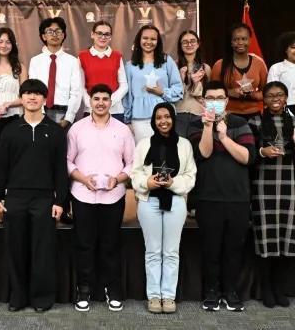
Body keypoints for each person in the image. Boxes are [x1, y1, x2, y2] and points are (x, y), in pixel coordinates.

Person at [0, 79, 68, 312]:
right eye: (27, 94)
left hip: (44, 199)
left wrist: (60, 201)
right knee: (16, 249)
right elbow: (1, 167)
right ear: (21, 98)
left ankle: (42, 298)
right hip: (15, 198)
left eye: (37, 94)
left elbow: (60, 171)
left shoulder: (54, 131)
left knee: (42, 251)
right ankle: (18, 297)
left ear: (44, 99)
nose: (32, 98)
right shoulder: (10, 130)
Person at [187, 80, 257, 312]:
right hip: (208, 198)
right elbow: (204, 152)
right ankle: (211, 292)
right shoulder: (195, 125)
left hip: (237, 198)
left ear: (226, 101)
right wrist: (209, 126)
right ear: (203, 100)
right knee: (211, 249)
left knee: (233, 249)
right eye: (210, 98)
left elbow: (247, 157)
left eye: (219, 98)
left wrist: (225, 137)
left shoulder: (240, 123)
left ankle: (231, 291)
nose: (215, 102)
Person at [67, 84, 135, 312]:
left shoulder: (123, 130)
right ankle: (84, 289)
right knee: (84, 244)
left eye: (105, 99)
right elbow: (67, 161)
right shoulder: (77, 129)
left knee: (110, 245)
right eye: (96, 98)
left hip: (113, 196)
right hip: (82, 194)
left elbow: (132, 163)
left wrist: (118, 179)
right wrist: (83, 179)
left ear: (111, 102)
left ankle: (112, 289)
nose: (101, 103)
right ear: (90, 101)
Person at [247, 82, 295, 308]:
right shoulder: (254, 122)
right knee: (266, 240)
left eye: (280, 95)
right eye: (270, 95)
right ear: (263, 100)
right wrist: (261, 151)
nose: (275, 99)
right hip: (263, 190)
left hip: (288, 189)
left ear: (286, 99)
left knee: (285, 239)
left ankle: (279, 287)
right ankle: (266, 288)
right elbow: (248, 157)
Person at [131, 102, 197, 314]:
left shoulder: (184, 145)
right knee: (153, 251)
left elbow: (190, 176)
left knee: (171, 252)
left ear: (173, 119)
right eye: (159, 117)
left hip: (175, 200)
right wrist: (147, 183)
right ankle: (154, 296)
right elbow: (135, 173)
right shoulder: (143, 144)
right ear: (153, 120)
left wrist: (173, 184)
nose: (163, 121)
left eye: (167, 116)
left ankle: (168, 296)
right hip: (149, 200)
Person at [124, 25, 183, 143]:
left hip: (165, 117)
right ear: (139, 40)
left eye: (153, 39)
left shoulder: (167, 61)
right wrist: (127, 120)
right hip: (139, 119)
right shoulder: (130, 66)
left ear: (158, 41)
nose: (149, 42)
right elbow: (127, 96)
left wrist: (161, 92)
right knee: (143, 154)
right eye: (145, 38)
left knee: (166, 154)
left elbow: (179, 89)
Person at [28, 17, 82, 128]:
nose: (54, 34)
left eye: (58, 31)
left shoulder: (73, 61)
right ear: (44, 36)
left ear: (63, 35)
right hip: (41, 111)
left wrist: (68, 118)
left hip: (65, 111)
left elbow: (76, 92)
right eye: (50, 31)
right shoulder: (35, 61)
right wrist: (40, 114)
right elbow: (33, 91)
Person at [210, 23, 268, 121]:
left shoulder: (259, 63)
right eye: (236, 39)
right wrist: (230, 92)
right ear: (231, 42)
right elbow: (211, 93)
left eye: (244, 39)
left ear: (250, 40)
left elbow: (266, 92)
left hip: (254, 115)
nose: (240, 42)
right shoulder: (219, 65)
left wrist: (252, 95)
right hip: (228, 114)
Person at [78, 21, 128, 122]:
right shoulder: (82, 56)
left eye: (107, 34)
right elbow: (80, 86)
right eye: (99, 33)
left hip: (115, 111)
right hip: (90, 110)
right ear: (92, 34)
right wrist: (92, 103)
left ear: (110, 37)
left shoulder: (117, 56)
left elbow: (124, 85)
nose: (103, 37)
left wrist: (108, 101)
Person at [174, 30, 211, 137]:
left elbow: (207, 96)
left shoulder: (206, 68)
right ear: (180, 46)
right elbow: (172, 94)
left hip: (199, 114)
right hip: (179, 114)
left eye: (192, 41)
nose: (189, 44)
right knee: (180, 148)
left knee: (197, 148)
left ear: (198, 44)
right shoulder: (173, 66)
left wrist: (196, 84)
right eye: (185, 42)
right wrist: (181, 79)